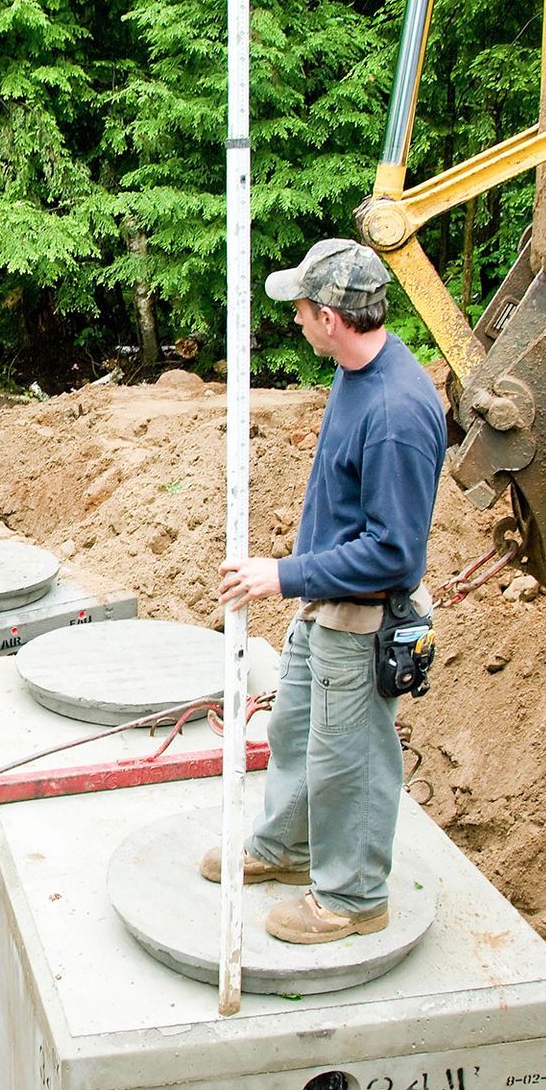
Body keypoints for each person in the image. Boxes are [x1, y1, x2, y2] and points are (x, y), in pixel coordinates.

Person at [207, 238, 447, 946]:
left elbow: (392, 551)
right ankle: (288, 848)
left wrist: (282, 574)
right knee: (295, 731)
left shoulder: (398, 414)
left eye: (303, 310)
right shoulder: (355, 372)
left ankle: (353, 895)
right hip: (325, 605)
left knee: (352, 759)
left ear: (332, 318)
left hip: (361, 616)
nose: (297, 321)